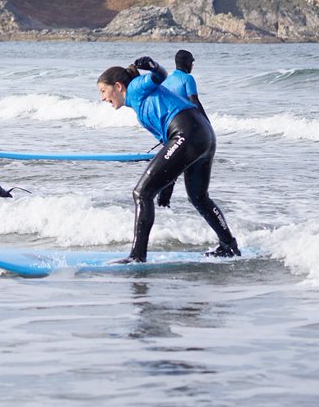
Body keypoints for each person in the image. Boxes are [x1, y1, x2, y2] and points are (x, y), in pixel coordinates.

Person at [97, 56, 242, 263]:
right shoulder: (141, 109)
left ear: (118, 86)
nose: (102, 98)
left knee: (141, 193)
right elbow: (171, 152)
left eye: (103, 91)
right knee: (199, 197)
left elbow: (160, 76)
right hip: (203, 135)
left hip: (188, 133)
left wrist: (153, 66)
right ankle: (229, 246)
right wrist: (166, 187)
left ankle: (137, 256)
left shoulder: (136, 87)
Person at [155, 49, 207, 208]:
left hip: (167, 128)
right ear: (188, 64)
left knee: (171, 168)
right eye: (192, 62)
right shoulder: (188, 79)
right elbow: (194, 103)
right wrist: (206, 123)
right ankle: (195, 201)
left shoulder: (166, 81)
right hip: (185, 129)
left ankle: (163, 205)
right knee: (187, 167)